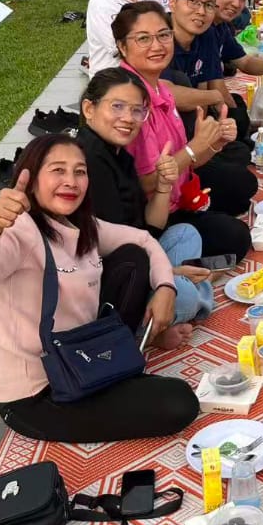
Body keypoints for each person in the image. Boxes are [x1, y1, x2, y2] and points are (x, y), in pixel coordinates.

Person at [0, 134, 199, 443]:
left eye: (80, 171)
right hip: (39, 394)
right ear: (31, 178)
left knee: (133, 258)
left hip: (82, 358)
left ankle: (129, 351)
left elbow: (143, 240)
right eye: (58, 170)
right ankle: (124, 368)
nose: (71, 181)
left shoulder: (79, 224)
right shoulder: (17, 232)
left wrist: (166, 288)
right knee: (179, 402)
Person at [78, 69, 215, 338]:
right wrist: (168, 275)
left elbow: (150, 228)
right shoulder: (88, 161)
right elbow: (110, 255)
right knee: (184, 295)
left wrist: (163, 186)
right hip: (108, 280)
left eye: (137, 110)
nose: (128, 118)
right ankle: (145, 331)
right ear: (89, 109)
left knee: (185, 234)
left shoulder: (118, 153)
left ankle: (167, 310)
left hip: (139, 257)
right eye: (117, 107)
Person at [112, 0, 255, 248]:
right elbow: (145, 183)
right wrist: (193, 147)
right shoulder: (131, 103)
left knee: (242, 191)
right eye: (143, 39)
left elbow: (187, 162)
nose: (157, 46)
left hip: (180, 195)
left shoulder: (160, 88)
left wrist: (215, 143)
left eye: (163, 35)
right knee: (236, 236)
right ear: (122, 47)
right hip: (149, 219)